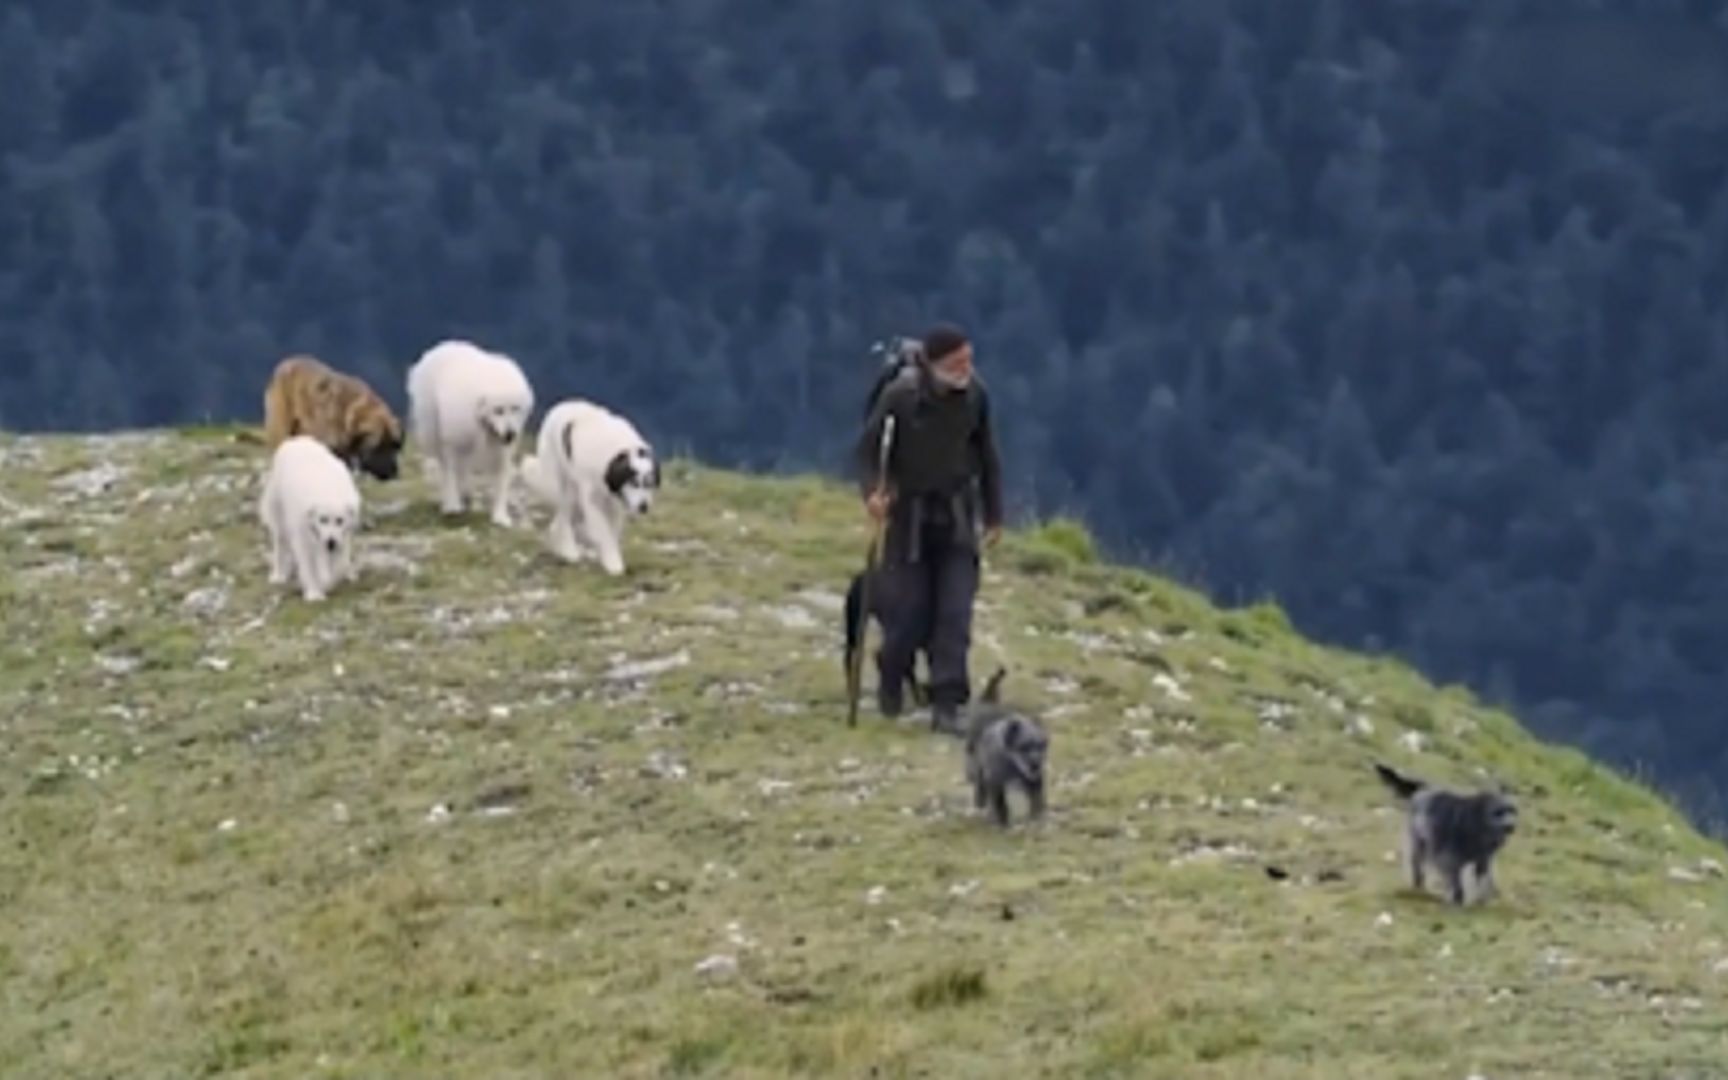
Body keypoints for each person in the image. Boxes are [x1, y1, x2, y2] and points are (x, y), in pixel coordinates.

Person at [855, 322, 1004, 731]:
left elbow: (987, 455)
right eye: (957, 364)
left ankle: (948, 702)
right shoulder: (900, 398)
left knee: (954, 614)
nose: (965, 370)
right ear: (932, 365)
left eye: (969, 361)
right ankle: (891, 670)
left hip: (957, 514)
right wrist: (874, 493)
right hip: (909, 518)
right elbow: (868, 452)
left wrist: (993, 513)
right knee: (910, 612)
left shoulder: (976, 396)